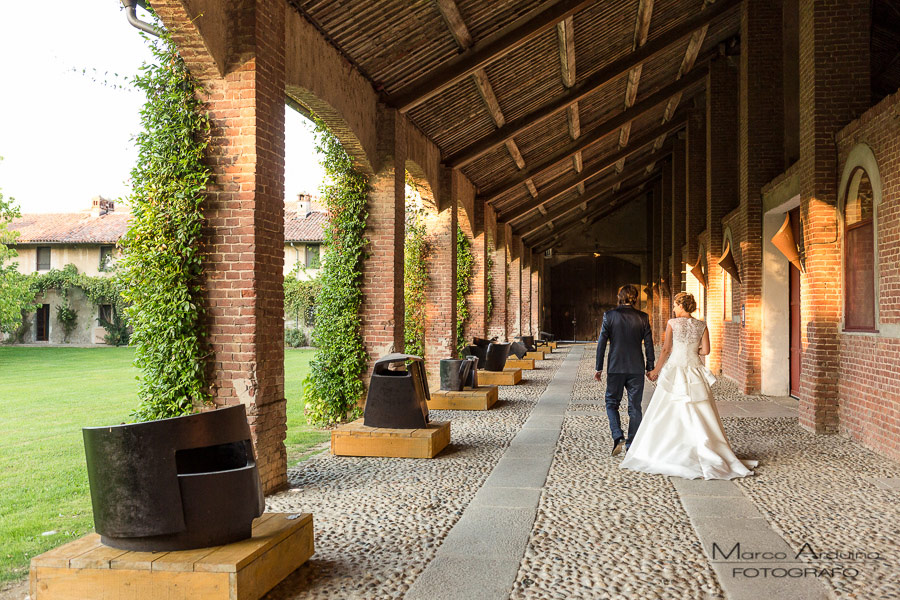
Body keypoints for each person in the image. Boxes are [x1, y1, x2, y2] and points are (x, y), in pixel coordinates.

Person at [621, 292, 757, 479]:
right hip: (694, 370)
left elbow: (667, 350)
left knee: (667, 409)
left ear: (681, 306)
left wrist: (655, 371)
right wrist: (694, 349)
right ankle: (705, 449)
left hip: (676, 370)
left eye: (676, 306)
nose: (674, 309)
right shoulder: (702, 325)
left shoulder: (672, 324)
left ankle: (667, 450)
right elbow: (706, 351)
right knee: (701, 411)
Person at [594, 284, 655, 456]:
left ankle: (617, 435)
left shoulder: (609, 316)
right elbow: (649, 345)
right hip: (636, 367)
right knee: (635, 406)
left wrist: (598, 367)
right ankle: (632, 444)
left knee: (611, 403)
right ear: (635, 298)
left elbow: (601, 344)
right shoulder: (643, 317)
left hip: (615, 367)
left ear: (619, 297)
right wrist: (650, 367)